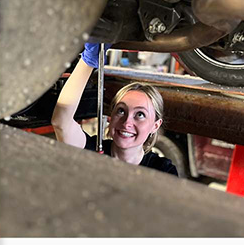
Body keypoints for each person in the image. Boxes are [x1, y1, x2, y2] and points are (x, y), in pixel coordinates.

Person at [51, 43, 177, 174]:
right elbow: (61, 123)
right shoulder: (91, 150)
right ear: (111, 116)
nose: (127, 122)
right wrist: (88, 61)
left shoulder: (163, 171)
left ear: (155, 126)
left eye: (140, 115)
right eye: (121, 111)